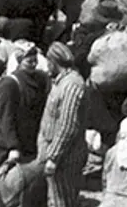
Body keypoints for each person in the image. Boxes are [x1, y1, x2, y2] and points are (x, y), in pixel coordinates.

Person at [0, 45, 49, 206]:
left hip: (10, 134)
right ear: (19, 60)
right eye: (28, 57)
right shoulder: (20, 82)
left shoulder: (17, 81)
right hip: (20, 133)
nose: (32, 61)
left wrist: (13, 146)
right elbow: (7, 115)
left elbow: (5, 117)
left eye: (34, 57)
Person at [38, 42, 88, 207]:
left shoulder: (72, 85)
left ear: (53, 61)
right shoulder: (60, 82)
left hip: (66, 157)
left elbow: (68, 125)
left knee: (62, 202)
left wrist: (53, 156)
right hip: (56, 154)